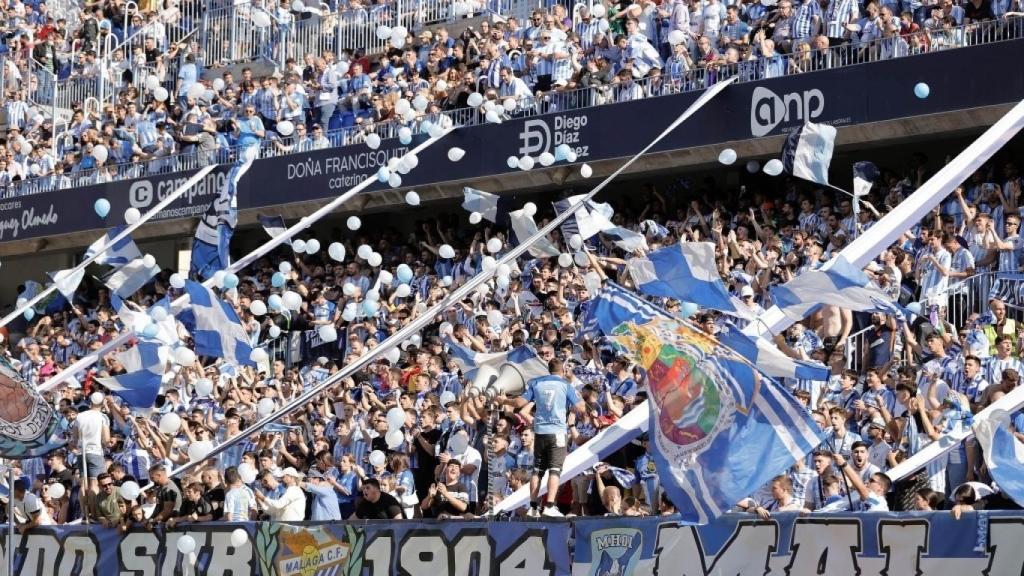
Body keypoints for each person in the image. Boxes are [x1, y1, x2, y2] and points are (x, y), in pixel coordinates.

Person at [506, 358, 586, 517]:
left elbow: (519, 402)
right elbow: (581, 407)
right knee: (555, 471)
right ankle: (549, 506)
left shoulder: (537, 383)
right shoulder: (566, 385)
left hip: (540, 432)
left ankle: (533, 506)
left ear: (548, 370)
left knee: (537, 471)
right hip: (557, 432)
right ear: (562, 370)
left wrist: (504, 400)